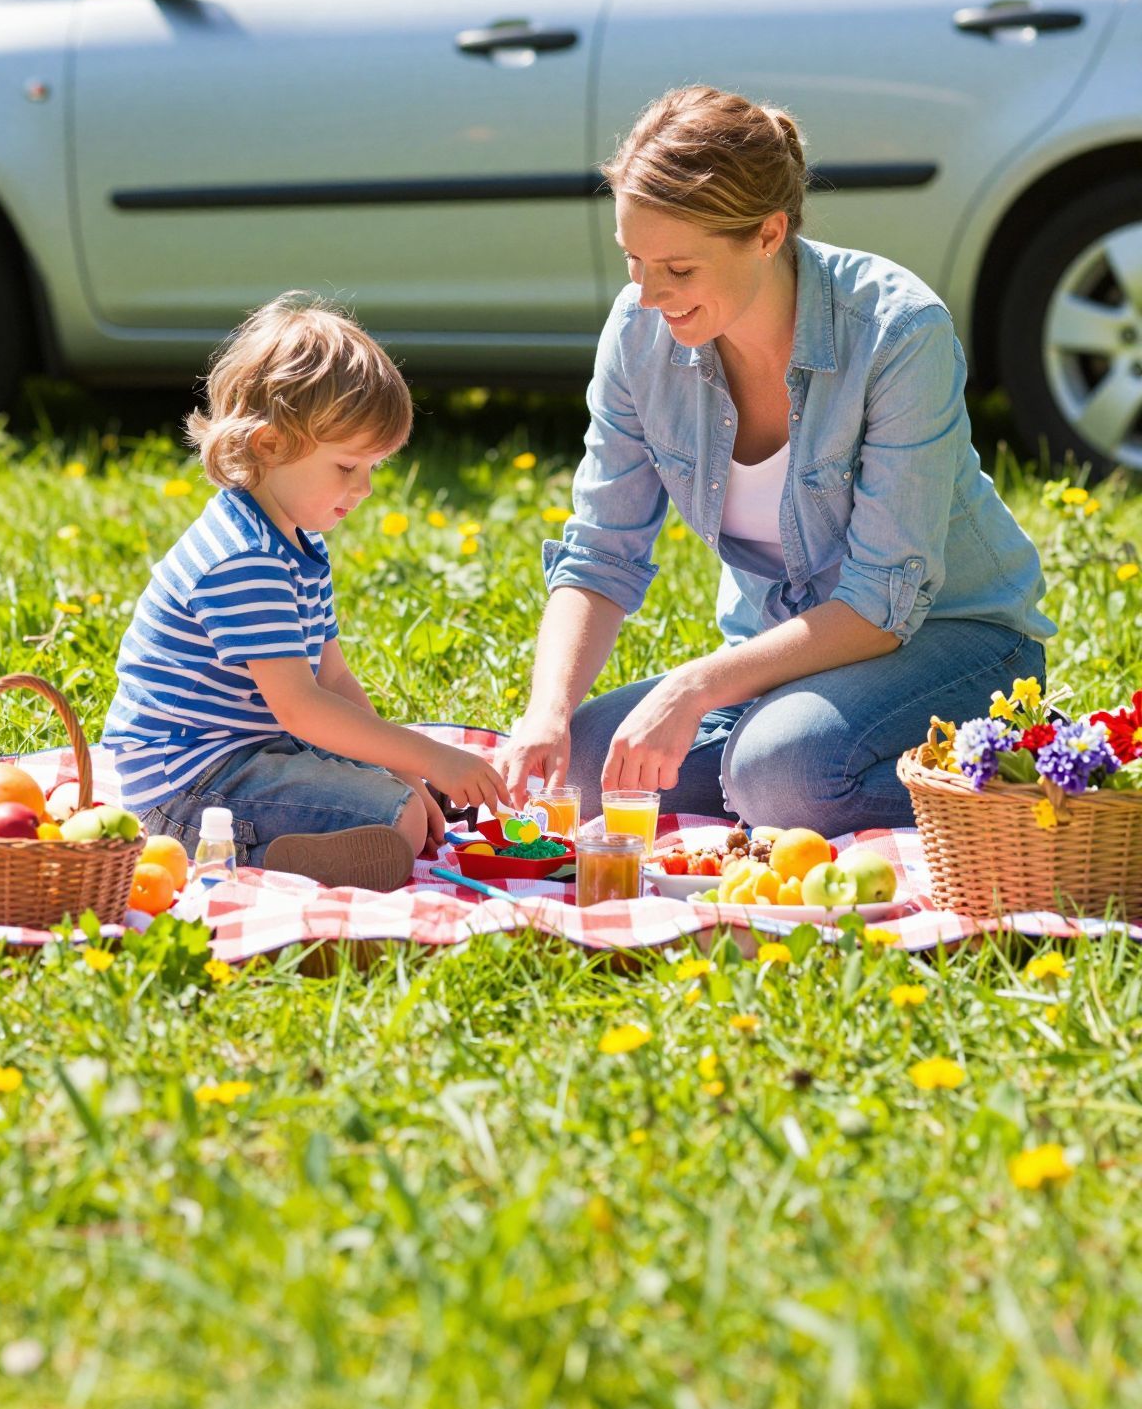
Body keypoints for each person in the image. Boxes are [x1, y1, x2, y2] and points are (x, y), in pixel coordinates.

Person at [500, 87, 1053, 834]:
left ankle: (1037, 790)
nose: (649, 294)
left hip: (954, 643)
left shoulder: (896, 332)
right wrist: (547, 712)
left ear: (768, 233)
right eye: (633, 260)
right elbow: (600, 555)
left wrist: (695, 688)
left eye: (679, 269)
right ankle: (783, 770)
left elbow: (878, 610)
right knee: (586, 768)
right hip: (781, 666)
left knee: (783, 776)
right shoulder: (639, 334)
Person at [104, 294, 508, 887]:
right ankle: (268, 858)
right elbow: (301, 707)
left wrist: (402, 767)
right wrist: (428, 759)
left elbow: (334, 680)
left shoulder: (294, 541)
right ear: (269, 445)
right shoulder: (244, 558)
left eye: (374, 468)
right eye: (347, 467)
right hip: (188, 790)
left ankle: (331, 832)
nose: (365, 488)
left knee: (407, 802)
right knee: (397, 822)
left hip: (248, 754)